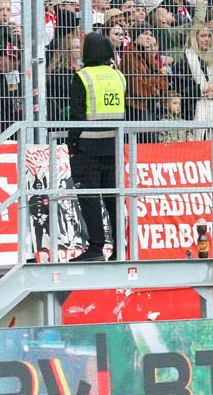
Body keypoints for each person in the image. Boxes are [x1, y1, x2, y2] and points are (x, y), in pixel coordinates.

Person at [69, 31, 124, 261]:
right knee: (113, 200)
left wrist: (71, 144)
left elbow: (77, 115)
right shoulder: (118, 76)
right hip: (114, 147)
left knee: (90, 199)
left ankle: (95, 249)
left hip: (87, 149)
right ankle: (120, 248)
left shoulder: (82, 77)